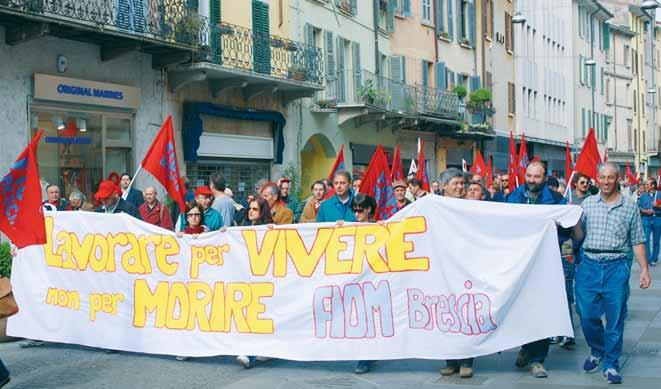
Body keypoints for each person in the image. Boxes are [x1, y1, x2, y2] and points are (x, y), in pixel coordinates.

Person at [574, 162, 651, 384]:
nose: (606, 181)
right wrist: (573, 223)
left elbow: (637, 240)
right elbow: (579, 236)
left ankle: (611, 363)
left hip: (616, 266)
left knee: (615, 318)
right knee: (586, 315)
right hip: (589, 265)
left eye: (610, 177)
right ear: (597, 179)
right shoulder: (587, 204)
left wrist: (644, 269)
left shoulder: (629, 207)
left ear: (617, 179)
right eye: (602, 177)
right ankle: (597, 350)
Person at [507, 162, 570, 378]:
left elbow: (568, 230)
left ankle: (538, 359)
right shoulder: (514, 198)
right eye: (529, 175)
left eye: (537, 176)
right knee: (522, 310)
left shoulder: (557, 201)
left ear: (545, 178)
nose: (532, 180)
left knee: (542, 311)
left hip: (545, 264)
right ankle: (526, 347)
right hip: (521, 263)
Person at [437, 168, 474, 378]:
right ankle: (450, 361)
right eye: (456, 183)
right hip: (443, 267)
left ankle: (467, 360)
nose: (460, 187)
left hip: (466, 267)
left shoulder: (471, 207)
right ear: (444, 186)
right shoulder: (433, 206)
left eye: (462, 183)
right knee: (447, 315)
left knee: (466, 314)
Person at [236, 196, 274, 368]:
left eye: (255, 209)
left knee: (256, 316)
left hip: (262, 280)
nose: (250, 211)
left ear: (262, 212)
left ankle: (250, 354)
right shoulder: (244, 227)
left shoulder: (269, 229)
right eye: (249, 208)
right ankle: (261, 350)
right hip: (245, 278)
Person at [350, 194, 379, 375]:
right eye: (354, 210)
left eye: (360, 210)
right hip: (354, 279)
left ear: (368, 210)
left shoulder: (378, 228)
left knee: (368, 318)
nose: (357, 214)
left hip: (373, 279)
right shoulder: (348, 228)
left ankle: (366, 357)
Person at [638, 177, 661, 266]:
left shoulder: (659, 194)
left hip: (657, 219)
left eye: (647, 184)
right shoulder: (643, 195)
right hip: (646, 219)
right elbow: (638, 207)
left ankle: (654, 259)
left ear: (653, 185)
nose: (645, 186)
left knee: (656, 241)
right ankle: (648, 258)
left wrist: (658, 206)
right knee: (646, 240)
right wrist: (645, 211)